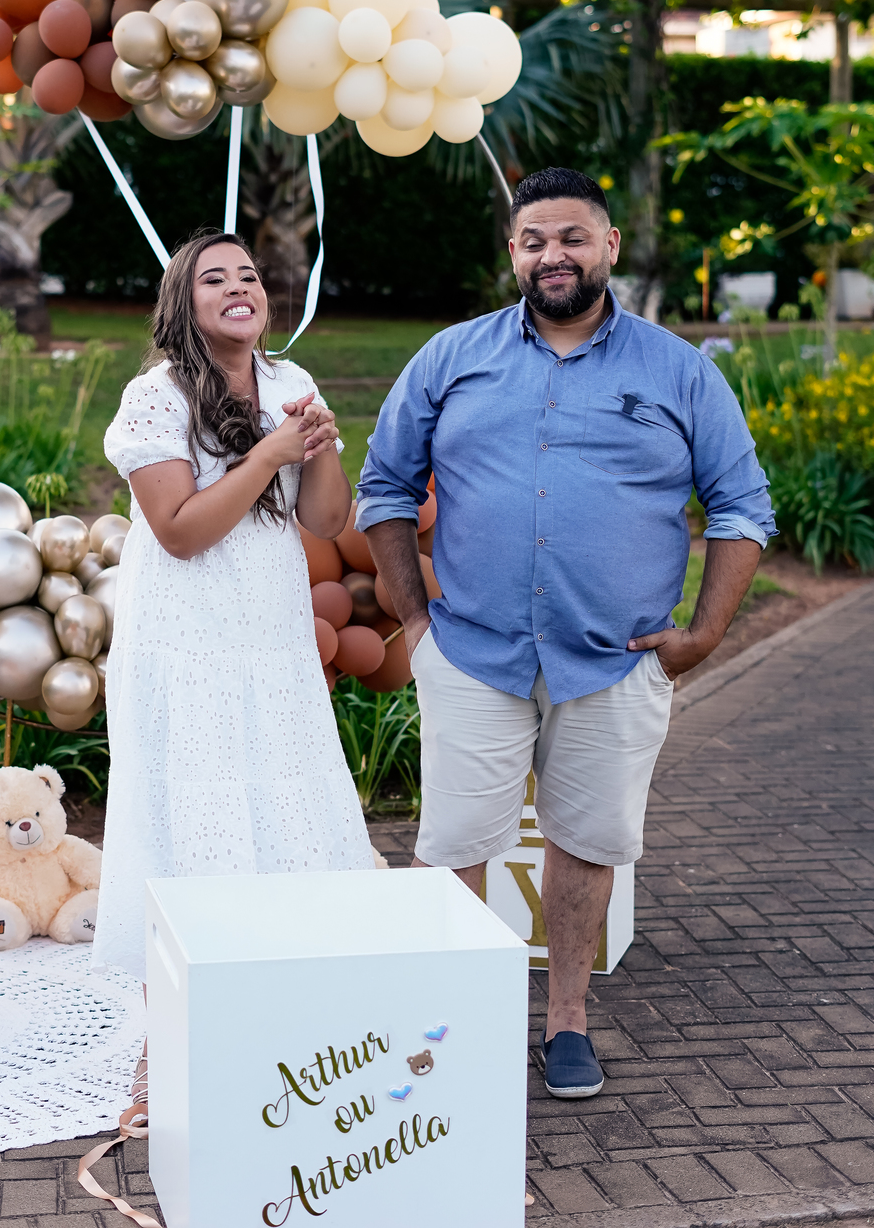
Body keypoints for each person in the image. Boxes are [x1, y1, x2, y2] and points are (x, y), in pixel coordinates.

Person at [357, 167, 775, 1100]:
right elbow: (383, 485)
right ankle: (444, 1027)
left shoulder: (678, 370)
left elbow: (743, 505)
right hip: (473, 652)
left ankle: (568, 1022)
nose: (555, 255)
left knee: (586, 843)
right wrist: (416, 620)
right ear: (514, 253)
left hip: (614, 663)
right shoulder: (450, 357)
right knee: (451, 847)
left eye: (573, 238)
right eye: (536, 240)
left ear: (609, 246)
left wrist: (706, 634)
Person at [94, 230, 374, 1129]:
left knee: (283, 811)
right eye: (214, 278)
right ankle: (167, 1042)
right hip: (185, 642)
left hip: (271, 638)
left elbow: (325, 520)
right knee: (186, 825)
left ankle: (280, 1020)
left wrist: (320, 446)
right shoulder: (157, 396)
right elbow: (179, 531)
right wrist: (267, 455)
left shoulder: (291, 383)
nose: (238, 286)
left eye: (248, 274)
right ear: (185, 302)